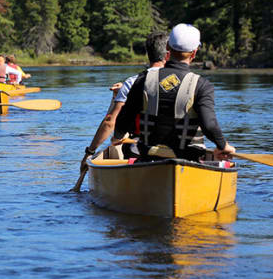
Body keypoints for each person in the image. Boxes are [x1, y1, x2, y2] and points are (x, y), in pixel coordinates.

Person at [116, 24, 235, 162]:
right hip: (188, 159)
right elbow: (209, 126)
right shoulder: (202, 86)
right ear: (194, 53)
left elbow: (124, 119)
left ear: (167, 47)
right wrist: (223, 145)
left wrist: (117, 136)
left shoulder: (143, 80)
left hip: (150, 158)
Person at [80, 31, 169, 176]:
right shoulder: (184, 81)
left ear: (148, 53)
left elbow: (110, 122)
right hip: (175, 149)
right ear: (169, 54)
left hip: (139, 149)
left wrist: (89, 153)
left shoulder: (132, 82)